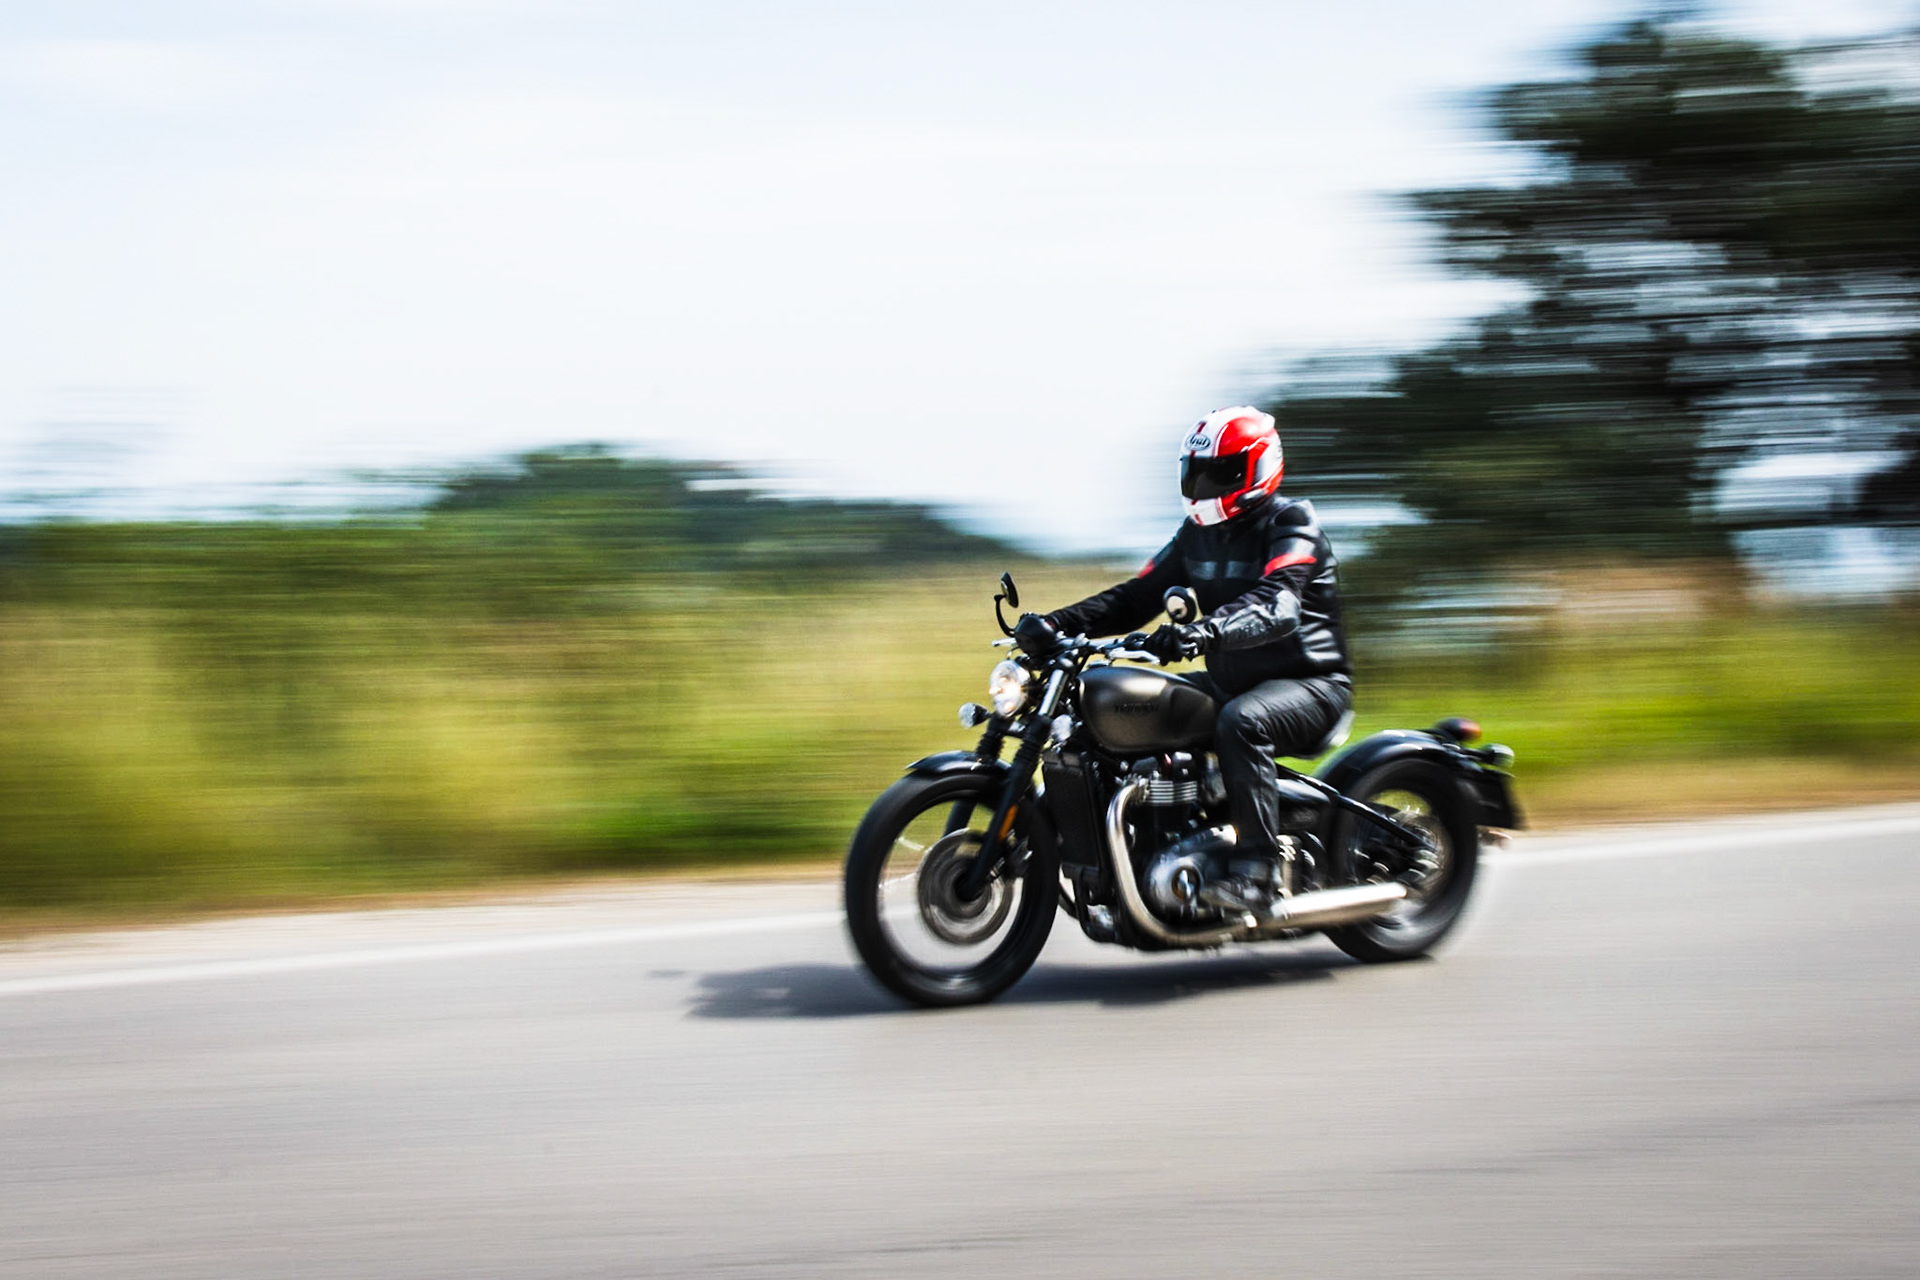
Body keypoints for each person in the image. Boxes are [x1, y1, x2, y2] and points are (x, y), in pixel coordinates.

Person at [1035, 406, 1353, 907]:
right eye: (1198, 473)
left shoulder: (1291, 521)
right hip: (1231, 680)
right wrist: (1055, 624)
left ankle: (1258, 869)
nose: (1205, 484)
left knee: (1242, 722)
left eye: (1220, 473)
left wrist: (1204, 632)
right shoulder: (1195, 535)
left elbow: (1279, 603)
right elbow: (1134, 598)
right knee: (1129, 709)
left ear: (1258, 467)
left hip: (1311, 685)